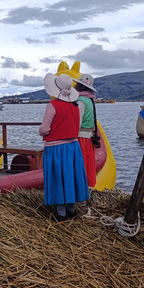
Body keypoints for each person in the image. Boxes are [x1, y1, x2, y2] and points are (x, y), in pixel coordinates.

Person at [39, 73, 88, 221]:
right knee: (70, 178)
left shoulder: (52, 105)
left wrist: (43, 131)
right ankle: (71, 211)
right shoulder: (76, 106)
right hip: (73, 147)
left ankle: (61, 214)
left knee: (57, 178)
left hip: (56, 149)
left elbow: (44, 129)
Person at [74, 74, 98, 190]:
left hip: (80, 138)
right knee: (86, 166)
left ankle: (78, 195)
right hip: (88, 138)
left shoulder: (80, 102)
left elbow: (76, 122)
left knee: (78, 166)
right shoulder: (90, 100)